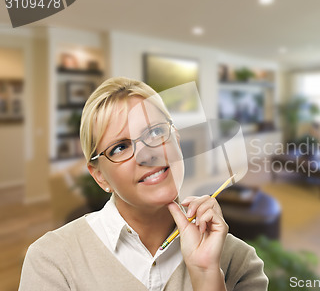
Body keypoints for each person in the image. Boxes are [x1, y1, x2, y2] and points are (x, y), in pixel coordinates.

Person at [19, 77, 268, 291]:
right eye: (120, 147)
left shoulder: (240, 263)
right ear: (100, 176)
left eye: (155, 133)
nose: (147, 154)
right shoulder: (51, 261)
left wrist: (206, 276)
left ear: (176, 140)